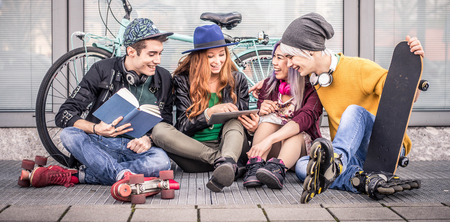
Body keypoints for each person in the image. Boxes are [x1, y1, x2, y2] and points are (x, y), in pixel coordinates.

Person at [250, 13, 424, 203]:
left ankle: (335, 164)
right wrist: (267, 85)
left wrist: (413, 66)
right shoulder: (315, 80)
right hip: (355, 157)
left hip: (384, 148)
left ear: (310, 51)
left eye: (291, 57)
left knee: (353, 111)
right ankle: (364, 181)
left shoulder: (359, 68)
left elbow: (404, 96)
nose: (289, 64)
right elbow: (292, 89)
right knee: (303, 166)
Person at [20, 18, 174, 188]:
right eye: (152, 54)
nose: (158, 60)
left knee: (162, 162)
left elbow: (166, 122)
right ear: (131, 51)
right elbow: (65, 114)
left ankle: (81, 176)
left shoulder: (164, 78)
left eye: (160, 53)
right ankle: (122, 175)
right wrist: (96, 129)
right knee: (69, 135)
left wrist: (149, 139)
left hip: (137, 149)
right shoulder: (102, 69)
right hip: (100, 145)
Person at [151, 24, 250, 192]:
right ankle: (224, 164)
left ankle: (226, 161)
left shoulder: (237, 79)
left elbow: (242, 125)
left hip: (230, 147)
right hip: (195, 155)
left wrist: (253, 127)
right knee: (158, 130)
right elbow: (182, 127)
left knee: (235, 122)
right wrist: (209, 113)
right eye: (210, 56)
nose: (217, 61)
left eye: (221, 55)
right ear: (198, 57)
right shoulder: (183, 80)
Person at [238, 41, 323, 190]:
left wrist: (269, 140)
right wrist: (261, 113)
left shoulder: (312, 90)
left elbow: (305, 118)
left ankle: (278, 170)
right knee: (267, 124)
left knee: (294, 135)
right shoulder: (269, 86)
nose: (274, 62)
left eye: (279, 57)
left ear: (293, 61)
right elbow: (261, 124)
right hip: (274, 150)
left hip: (299, 153)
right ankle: (256, 166)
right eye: (274, 57)